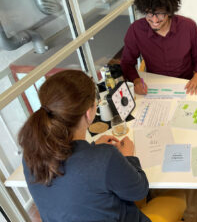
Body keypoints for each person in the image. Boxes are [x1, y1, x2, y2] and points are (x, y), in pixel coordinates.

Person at [19, 70, 150, 222]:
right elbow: (140, 191)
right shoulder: (105, 158)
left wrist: (93, 149)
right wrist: (128, 156)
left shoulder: (30, 155)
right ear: (88, 113)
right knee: (177, 198)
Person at [120, 0, 197, 95]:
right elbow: (127, 63)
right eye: (149, 13)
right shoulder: (136, 30)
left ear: (169, 11)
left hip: (185, 84)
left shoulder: (188, 27)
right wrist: (136, 81)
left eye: (160, 14)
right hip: (153, 86)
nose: (154, 20)